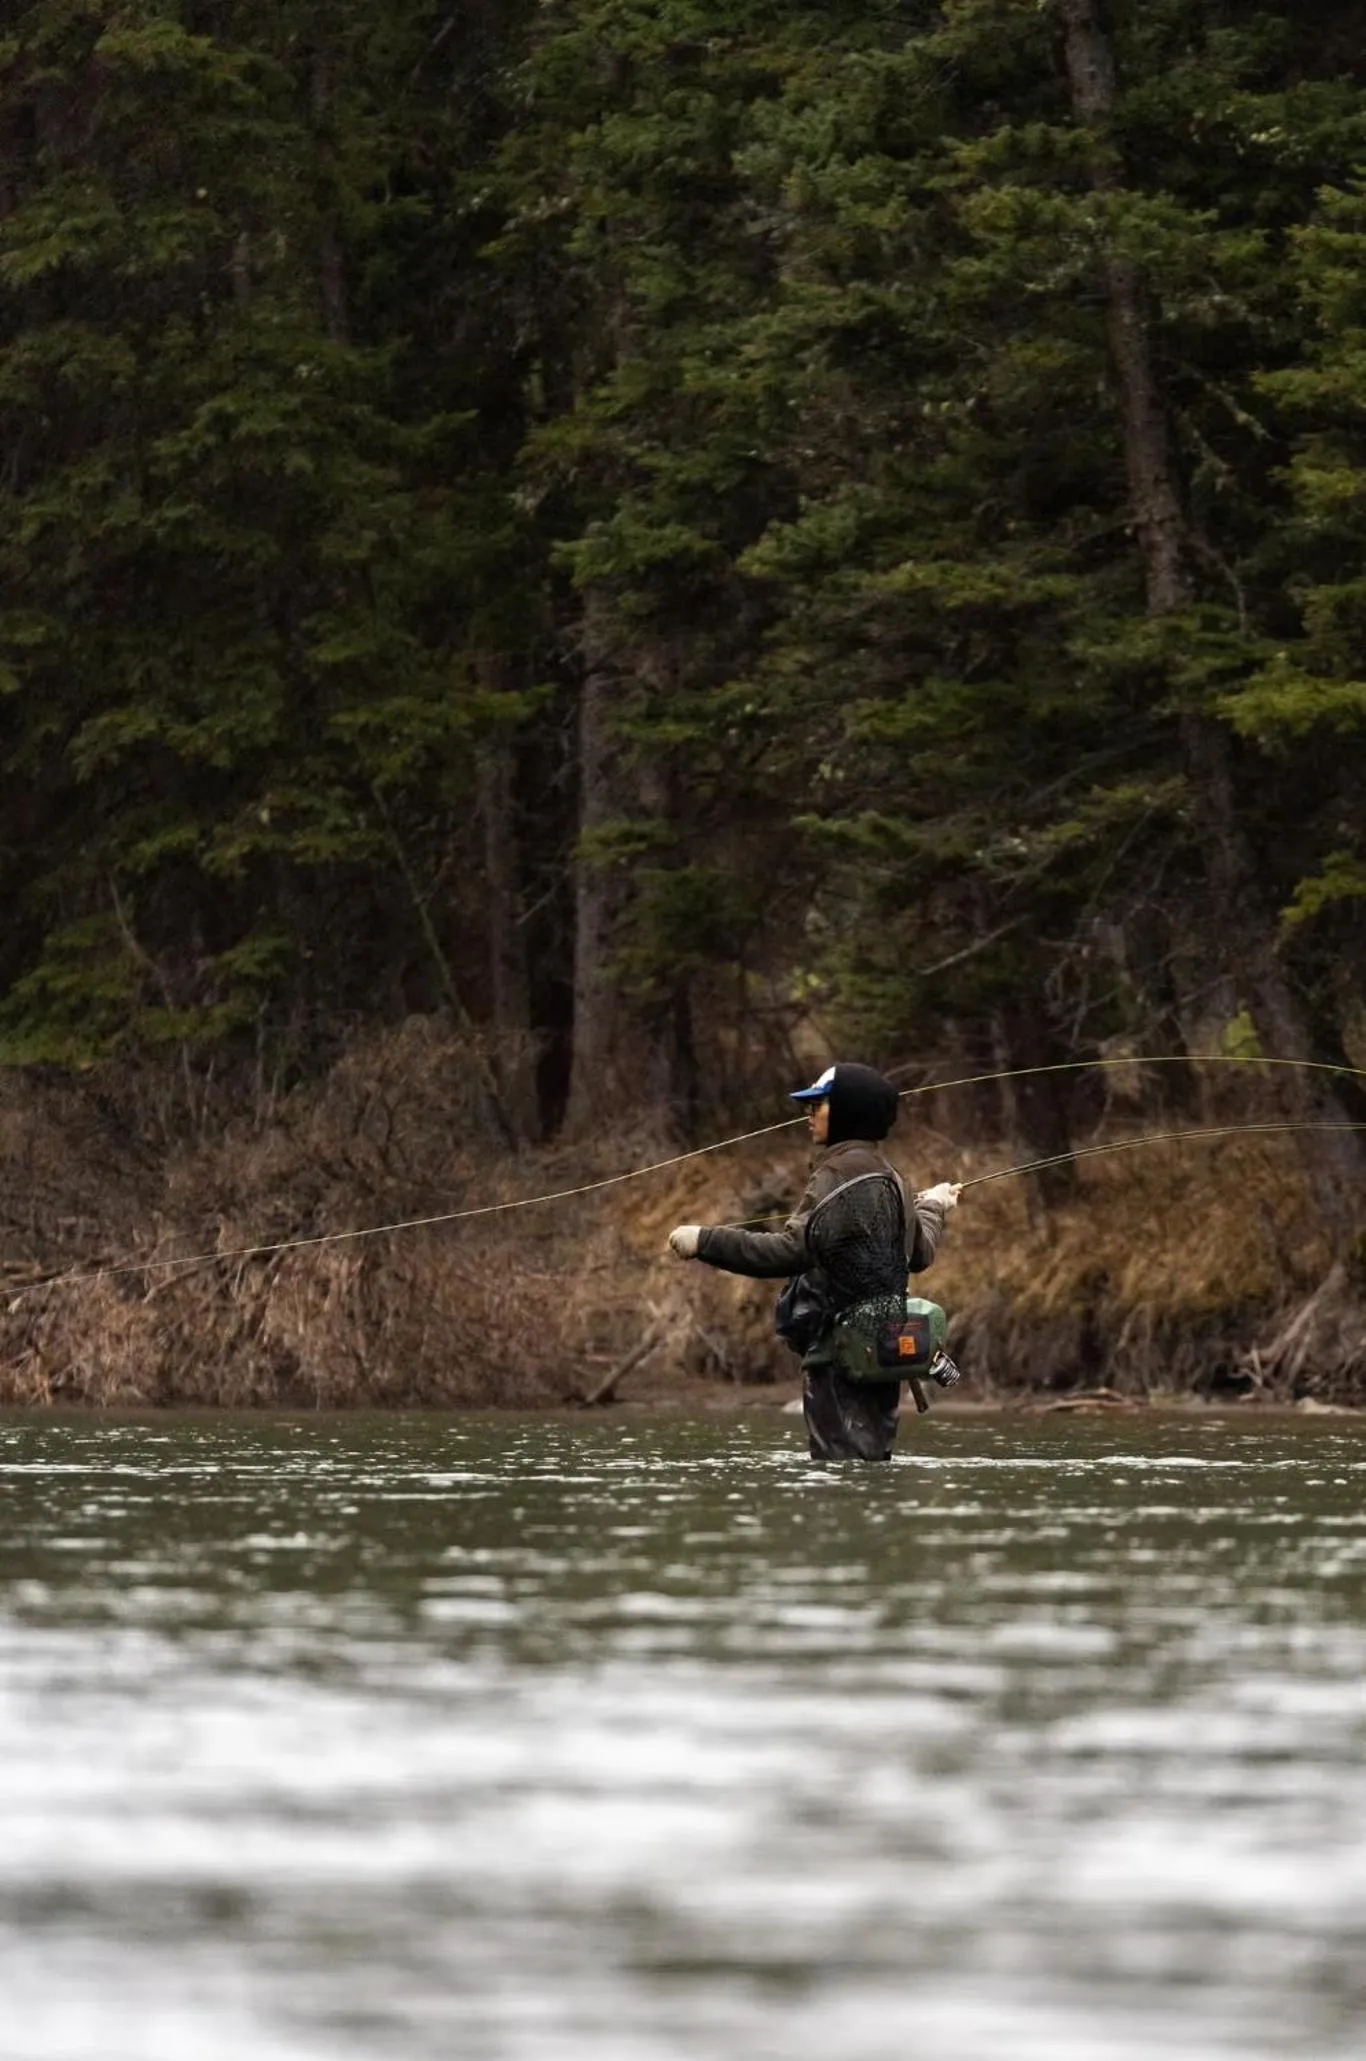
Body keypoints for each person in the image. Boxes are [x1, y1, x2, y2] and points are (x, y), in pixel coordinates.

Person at [667, 1062, 960, 1462]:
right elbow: (920, 1255)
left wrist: (705, 1240)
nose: (808, 1116)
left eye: (817, 1105)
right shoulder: (893, 1178)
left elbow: (791, 1251)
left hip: (838, 1351)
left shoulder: (838, 1173)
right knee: (869, 1460)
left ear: (846, 1111)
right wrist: (933, 1207)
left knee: (840, 1467)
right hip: (882, 1351)